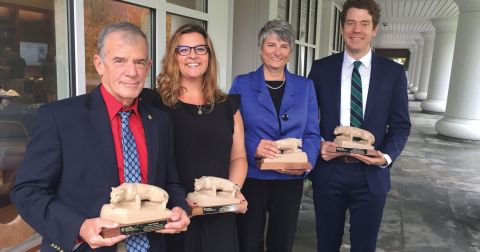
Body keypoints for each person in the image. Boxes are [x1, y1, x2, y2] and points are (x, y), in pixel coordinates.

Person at [10, 22, 190, 252]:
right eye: (119, 60)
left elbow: (170, 182)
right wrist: (79, 227)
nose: (132, 72)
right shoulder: (60, 118)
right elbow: (27, 191)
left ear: (148, 67)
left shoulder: (160, 122)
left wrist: (180, 208)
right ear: (99, 64)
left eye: (139, 62)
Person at [308, 0, 411, 251]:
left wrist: (385, 156)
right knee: (326, 244)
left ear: (374, 29)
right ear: (342, 28)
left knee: (365, 246)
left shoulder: (393, 73)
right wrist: (319, 145)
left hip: (371, 176)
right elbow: (308, 117)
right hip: (329, 171)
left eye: (364, 23)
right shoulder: (321, 68)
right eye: (351, 23)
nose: (357, 29)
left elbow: (400, 125)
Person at [140, 24, 248, 252]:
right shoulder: (154, 103)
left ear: (209, 56)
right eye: (184, 49)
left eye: (200, 49)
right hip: (174, 217)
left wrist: (232, 191)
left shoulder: (228, 106)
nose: (193, 55)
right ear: (173, 56)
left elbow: (238, 158)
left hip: (219, 216)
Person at [229, 19, 320, 252]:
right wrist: (253, 147)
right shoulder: (242, 84)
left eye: (283, 46)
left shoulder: (306, 86)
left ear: (290, 52)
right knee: (247, 240)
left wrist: (304, 163)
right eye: (271, 45)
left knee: (283, 241)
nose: (277, 52)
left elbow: (312, 132)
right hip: (253, 177)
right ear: (261, 49)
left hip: (290, 180)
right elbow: (231, 129)